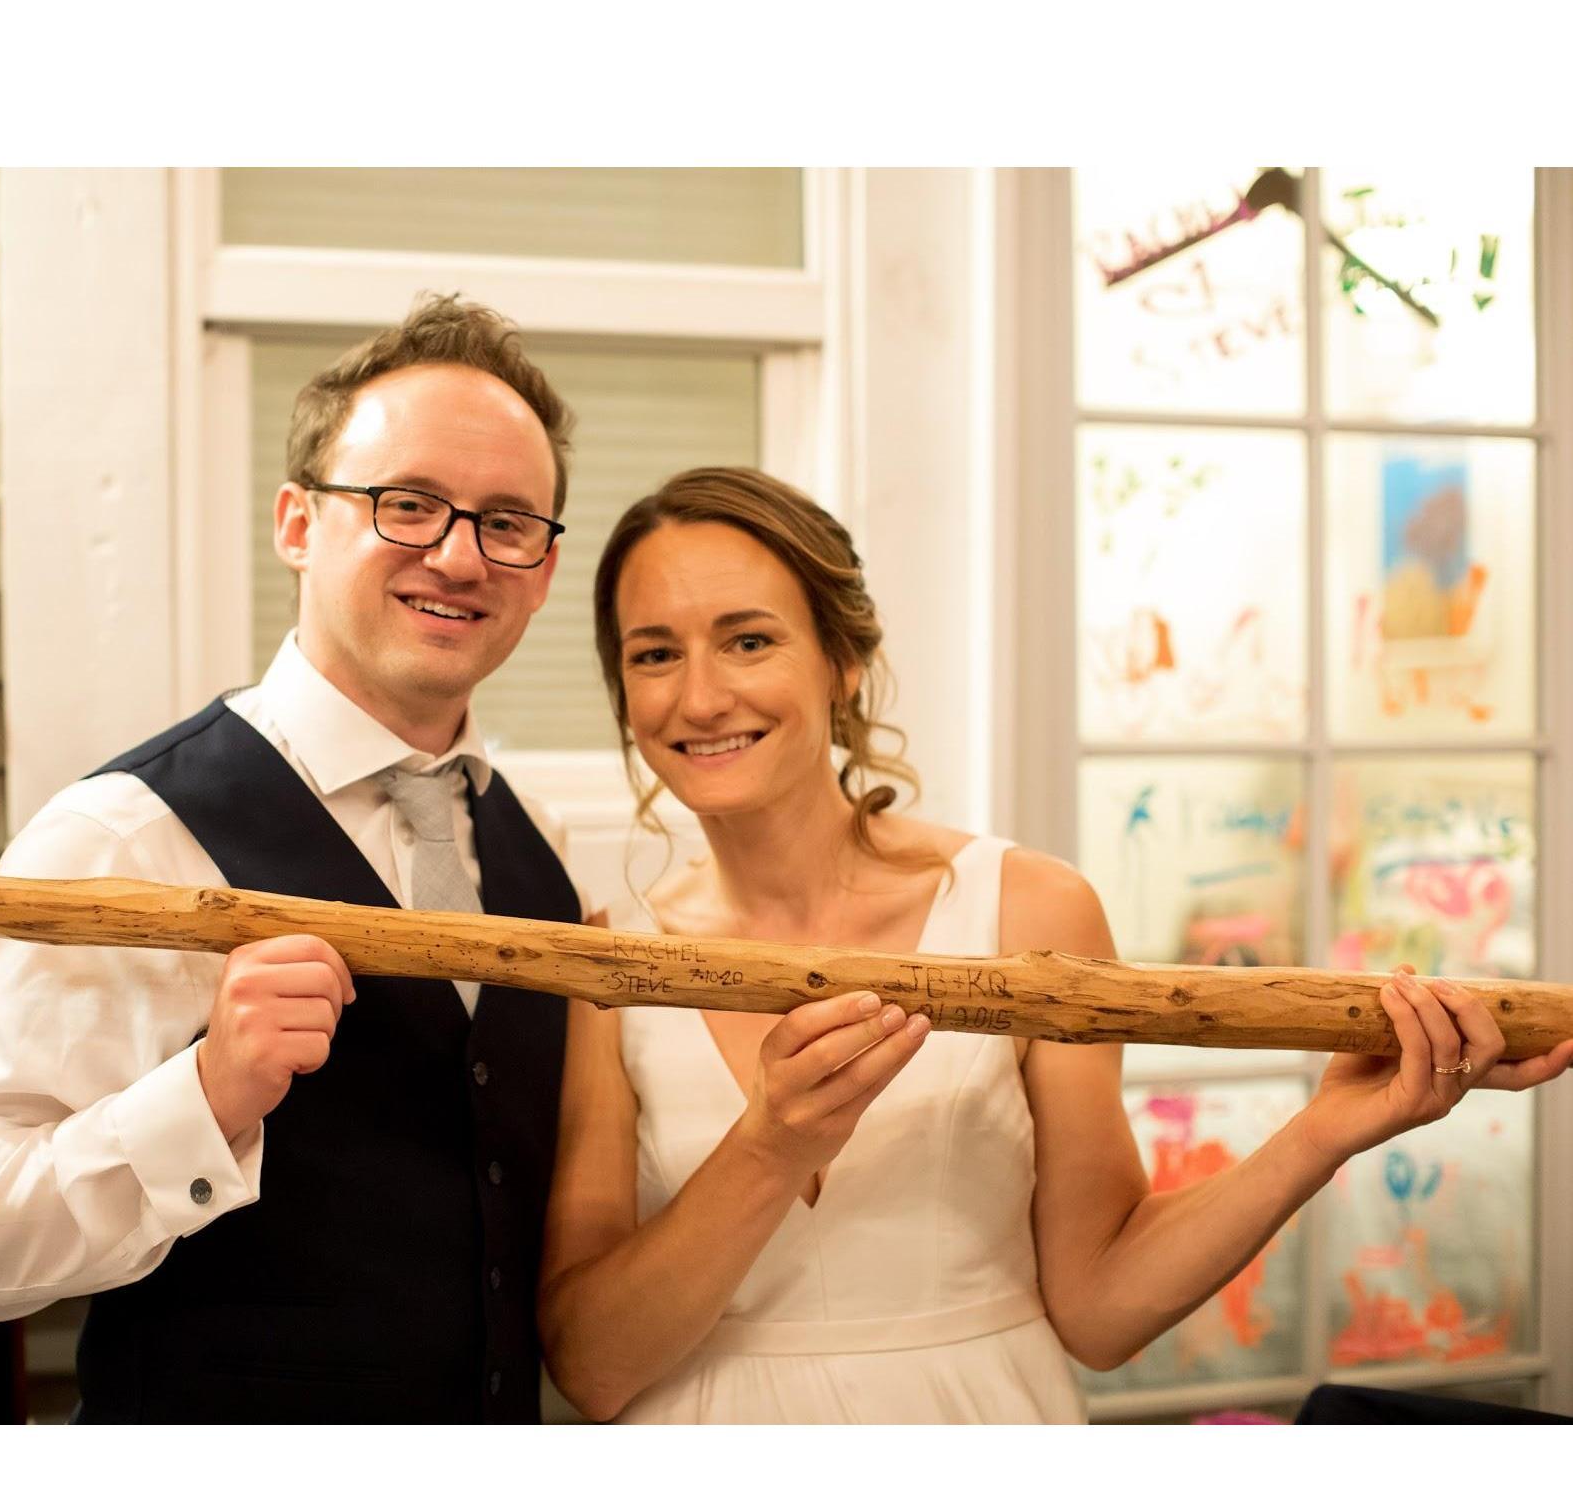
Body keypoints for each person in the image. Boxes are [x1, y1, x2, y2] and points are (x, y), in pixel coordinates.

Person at [537, 467, 1573, 1424]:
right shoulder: (610, 961)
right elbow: (590, 1368)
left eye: (749, 640)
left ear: (844, 662)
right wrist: (772, 1147)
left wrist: (1327, 1127)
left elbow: (1102, 1309)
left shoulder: (1026, 912)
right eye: (654, 653)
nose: (700, 695)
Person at [0, 295, 584, 1422]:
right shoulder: (121, 838)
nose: (460, 557)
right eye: (407, 505)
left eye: (508, 523)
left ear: (543, 569)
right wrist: (206, 1096)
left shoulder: (540, 850)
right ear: (298, 524)